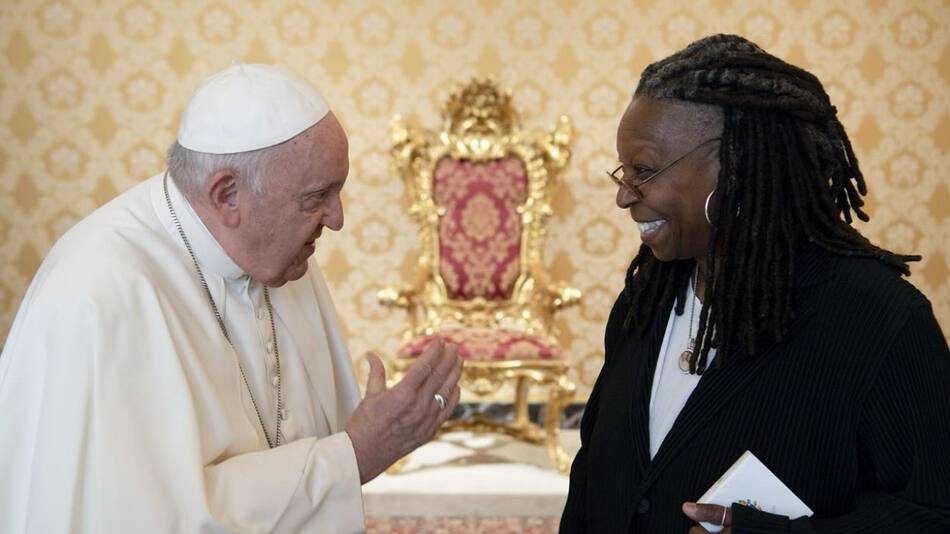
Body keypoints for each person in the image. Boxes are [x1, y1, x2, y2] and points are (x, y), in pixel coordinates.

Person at [0, 63, 463, 533]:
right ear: (226, 195)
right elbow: (139, 518)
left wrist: (363, 442)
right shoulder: (97, 294)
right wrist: (354, 455)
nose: (337, 219)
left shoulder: (282, 255)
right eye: (316, 198)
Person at [560, 34, 950, 533]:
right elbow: (594, 477)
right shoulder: (645, 300)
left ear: (736, 165)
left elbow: (933, 515)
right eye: (624, 170)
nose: (624, 196)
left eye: (645, 170)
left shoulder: (881, 320)